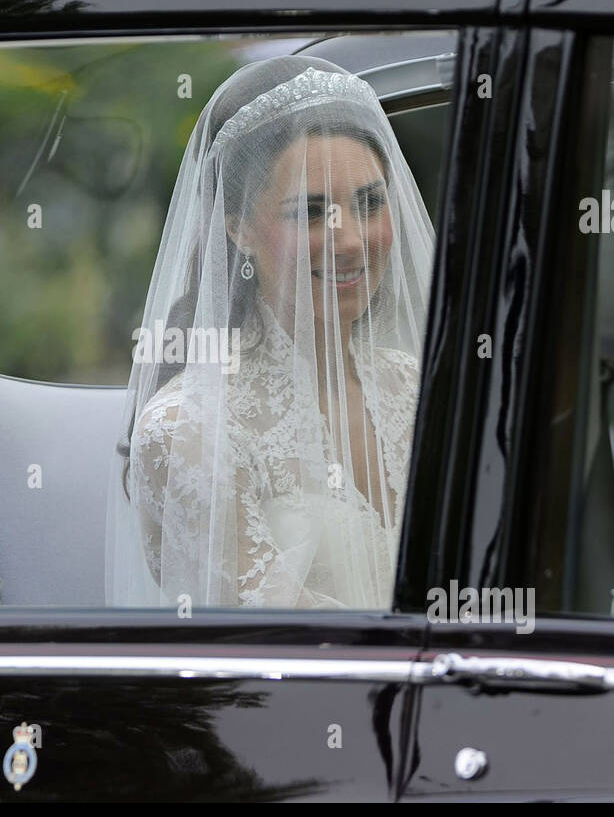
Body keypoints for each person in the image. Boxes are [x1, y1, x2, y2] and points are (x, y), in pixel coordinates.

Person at [106, 56, 434, 608]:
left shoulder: (418, 386)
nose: (350, 239)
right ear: (238, 230)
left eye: (370, 203)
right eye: (310, 211)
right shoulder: (189, 431)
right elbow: (266, 647)